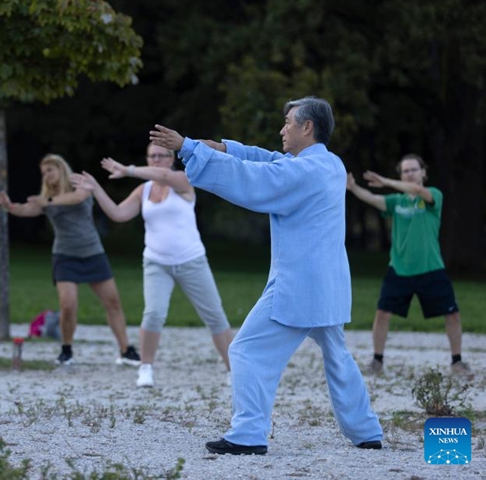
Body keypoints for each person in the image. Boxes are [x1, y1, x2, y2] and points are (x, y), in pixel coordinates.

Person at [150, 96, 383, 455]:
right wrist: (226, 147)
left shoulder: (304, 171)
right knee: (337, 357)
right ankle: (367, 431)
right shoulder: (329, 164)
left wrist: (189, 148)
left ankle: (247, 435)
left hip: (299, 285)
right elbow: (271, 161)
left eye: (288, 123)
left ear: (307, 127)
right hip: (327, 286)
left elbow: (256, 179)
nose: (281, 130)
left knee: (245, 351)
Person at [70, 145, 233, 388]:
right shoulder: (143, 190)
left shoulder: (182, 180)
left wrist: (127, 170)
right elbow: (118, 214)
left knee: (215, 316)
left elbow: (164, 177)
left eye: (162, 155)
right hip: (157, 262)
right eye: (152, 156)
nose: (156, 160)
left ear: (171, 159)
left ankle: (234, 369)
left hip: (191, 261)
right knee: (154, 314)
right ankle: (145, 367)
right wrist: (96, 190)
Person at [0, 153, 140, 366]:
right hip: (65, 256)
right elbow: (29, 209)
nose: (46, 176)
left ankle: (125, 350)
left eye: (50, 170)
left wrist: (48, 201)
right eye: (43, 172)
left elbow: (79, 198)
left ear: (61, 169)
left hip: (93, 253)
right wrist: (10, 207)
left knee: (113, 302)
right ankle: (66, 349)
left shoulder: (77, 183)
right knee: (68, 304)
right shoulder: (47, 197)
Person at [346, 155, 472, 378]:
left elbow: (417, 192)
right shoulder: (397, 201)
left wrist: (385, 181)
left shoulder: (434, 195)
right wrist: (354, 187)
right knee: (382, 313)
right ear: (401, 175)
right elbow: (374, 199)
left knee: (452, 315)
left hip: (431, 268)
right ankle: (377, 361)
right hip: (399, 269)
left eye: (414, 170)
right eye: (405, 171)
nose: (410, 174)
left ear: (424, 172)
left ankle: (457, 362)